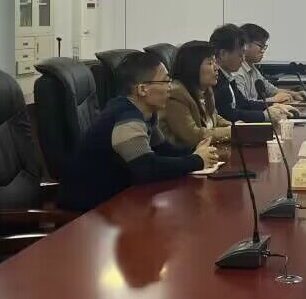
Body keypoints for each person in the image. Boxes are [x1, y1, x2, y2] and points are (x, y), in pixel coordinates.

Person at [58, 51, 218, 212]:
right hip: (92, 206)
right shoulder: (126, 117)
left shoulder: (146, 113)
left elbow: (163, 149)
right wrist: (196, 160)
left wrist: (199, 151)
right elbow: (146, 168)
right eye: (165, 81)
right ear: (142, 89)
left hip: (119, 196)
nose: (170, 87)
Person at [211, 24, 293, 124]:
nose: (243, 59)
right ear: (223, 54)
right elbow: (228, 114)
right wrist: (264, 115)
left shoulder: (227, 76)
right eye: (240, 55)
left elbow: (243, 103)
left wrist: (272, 106)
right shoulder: (215, 80)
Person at [161, 40, 233, 147]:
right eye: (210, 63)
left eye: (215, 62)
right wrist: (230, 132)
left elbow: (213, 117)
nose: (216, 68)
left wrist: (237, 127)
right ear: (192, 66)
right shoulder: (176, 94)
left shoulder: (206, 91)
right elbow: (193, 136)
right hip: (184, 155)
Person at [234, 23, 304, 105]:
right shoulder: (237, 71)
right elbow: (242, 105)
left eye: (264, 46)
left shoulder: (252, 69)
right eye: (261, 46)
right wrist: (273, 100)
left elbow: (271, 90)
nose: (263, 50)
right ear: (246, 44)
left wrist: (294, 94)